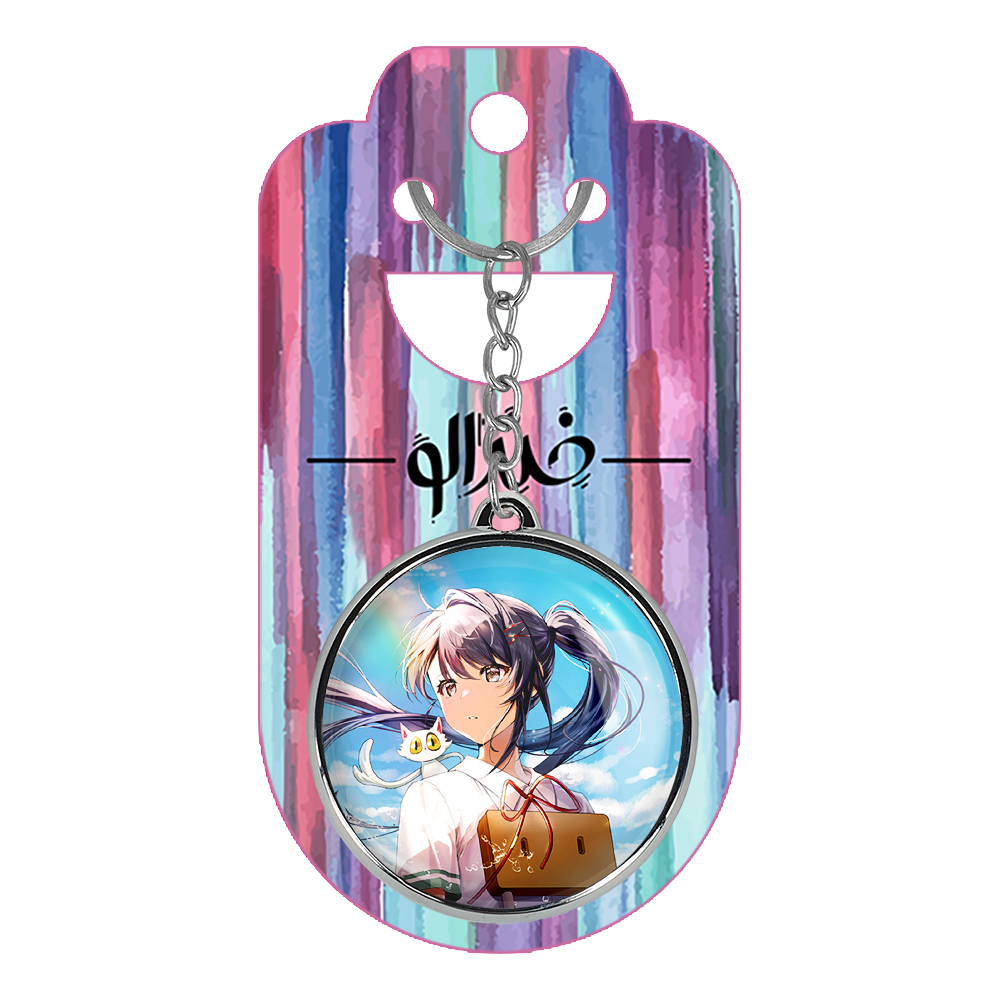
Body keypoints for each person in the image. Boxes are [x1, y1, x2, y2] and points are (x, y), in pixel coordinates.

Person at [323, 587, 641, 909]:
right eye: (448, 686)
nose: (465, 697)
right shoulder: (435, 798)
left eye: (491, 673)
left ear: (533, 681)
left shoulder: (572, 803)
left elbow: (598, 908)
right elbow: (427, 912)